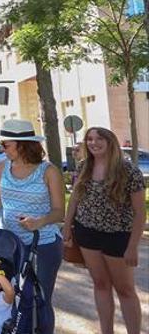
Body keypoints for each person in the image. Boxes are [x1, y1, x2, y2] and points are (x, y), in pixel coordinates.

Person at [0, 119, 64, 334]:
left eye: (5, 145)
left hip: (43, 244)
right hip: (11, 245)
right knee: (12, 294)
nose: (2, 149)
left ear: (21, 144)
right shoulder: (3, 167)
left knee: (40, 297)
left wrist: (39, 222)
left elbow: (59, 211)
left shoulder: (49, 171)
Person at [63, 127, 145, 334]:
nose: (93, 143)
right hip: (87, 234)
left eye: (99, 139)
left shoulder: (128, 171)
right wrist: (67, 226)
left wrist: (132, 247)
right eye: (89, 139)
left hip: (118, 236)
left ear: (110, 142)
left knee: (125, 290)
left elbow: (140, 213)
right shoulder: (83, 167)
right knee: (100, 284)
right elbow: (74, 198)